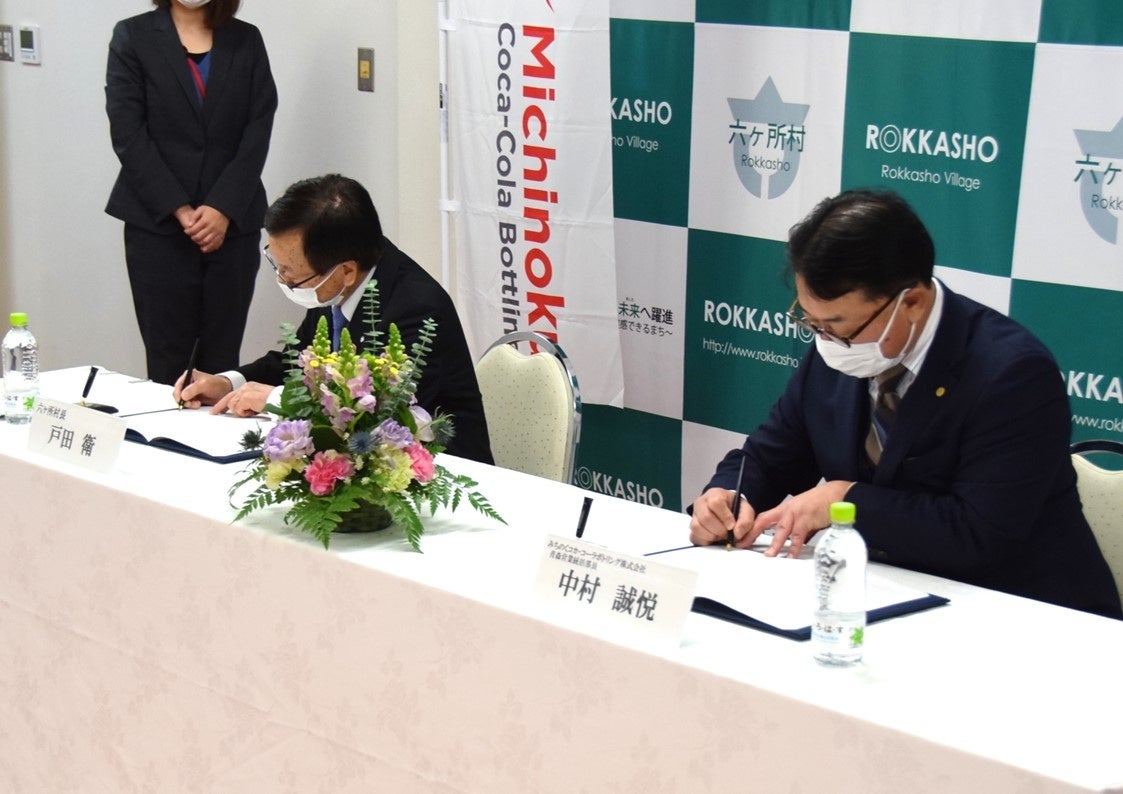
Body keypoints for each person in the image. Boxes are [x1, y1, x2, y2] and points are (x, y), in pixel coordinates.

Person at [689, 189, 1122, 619]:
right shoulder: (837, 348)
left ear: (911, 302)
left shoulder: (1013, 373)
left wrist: (844, 499)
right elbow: (769, 456)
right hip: (885, 593)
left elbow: (980, 534)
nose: (825, 340)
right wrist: (730, 495)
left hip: (1025, 613)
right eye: (811, 321)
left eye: (837, 326)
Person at [174, 174, 495, 465]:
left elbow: (379, 415)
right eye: (276, 263)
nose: (282, 279)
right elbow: (296, 361)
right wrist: (229, 383)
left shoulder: (417, 308)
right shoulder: (334, 282)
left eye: (290, 273)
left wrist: (274, 399)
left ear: (346, 271)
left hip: (440, 471)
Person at [105, 0, 277, 385]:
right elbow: (129, 134)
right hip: (158, 225)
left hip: (231, 228)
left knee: (222, 362)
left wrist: (222, 207)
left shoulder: (246, 39)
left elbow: (259, 127)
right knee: (168, 362)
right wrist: (181, 210)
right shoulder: (133, 35)